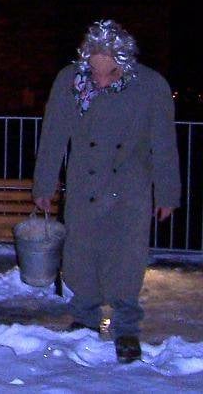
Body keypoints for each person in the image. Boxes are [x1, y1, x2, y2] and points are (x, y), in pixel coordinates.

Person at [32, 19, 179, 364]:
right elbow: (53, 135)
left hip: (130, 189)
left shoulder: (151, 86)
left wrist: (167, 194)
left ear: (123, 63)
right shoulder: (70, 81)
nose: (99, 81)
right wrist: (44, 184)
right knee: (81, 256)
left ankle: (126, 328)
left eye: (109, 73)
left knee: (127, 259)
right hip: (84, 184)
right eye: (94, 72)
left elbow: (163, 144)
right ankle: (84, 317)